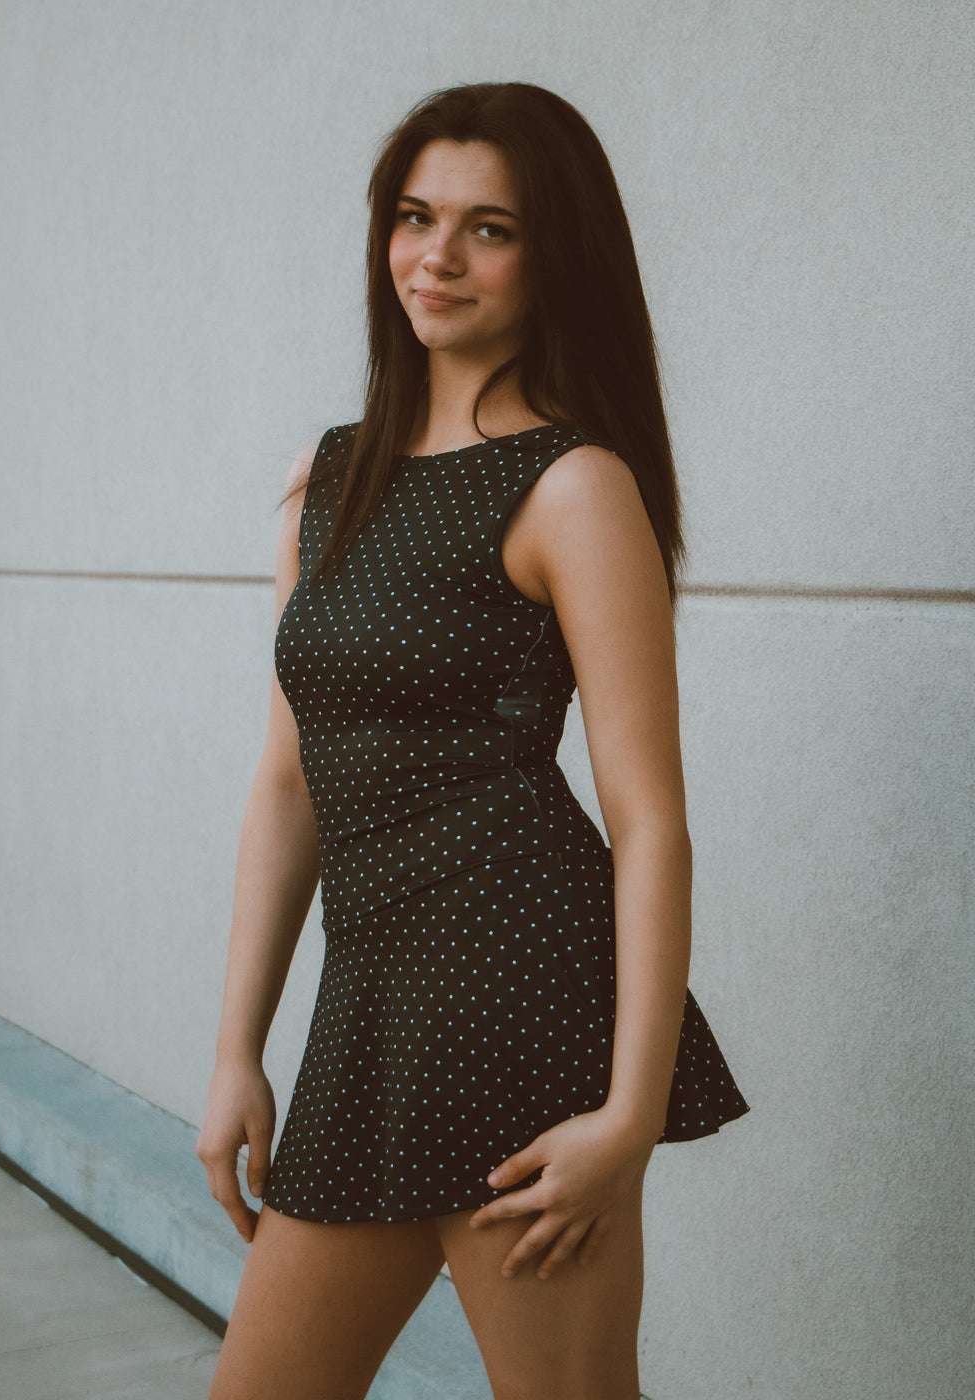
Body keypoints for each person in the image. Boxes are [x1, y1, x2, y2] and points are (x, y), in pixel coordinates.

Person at [197, 81, 748, 1400]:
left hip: (520, 1009)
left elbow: (649, 822)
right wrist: (234, 1051)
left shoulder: (573, 486)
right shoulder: (327, 480)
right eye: (414, 217)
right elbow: (288, 781)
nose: (435, 256)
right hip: (367, 1014)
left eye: (488, 228)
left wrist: (629, 1115)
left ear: (557, 257)